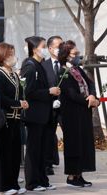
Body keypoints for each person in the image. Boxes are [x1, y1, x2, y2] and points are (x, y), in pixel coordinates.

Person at [20, 36, 60, 192]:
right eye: (43, 46)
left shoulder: (39, 64)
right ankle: (32, 182)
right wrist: (48, 92)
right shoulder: (30, 66)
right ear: (34, 48)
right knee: (34, 150)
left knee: (43, 150)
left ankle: (43, 180)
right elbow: (28, 92)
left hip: (44, 114)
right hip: (35, 115)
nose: (45, 49)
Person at [58, 40, 98, 187]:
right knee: (74, 144)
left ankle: (79, 175)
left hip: (84, 112)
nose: (77, 56)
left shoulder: (77, 69)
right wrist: (89, 100)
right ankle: (71, 176)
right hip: (71, 115)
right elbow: (71, 94)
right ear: (66, 55)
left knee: (84, 144)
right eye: (75, 54)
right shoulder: (63, 72)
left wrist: (93, 96)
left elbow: (90, 83)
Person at [0, 42, 28, 195]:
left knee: (14, 154)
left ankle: (13, 184)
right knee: (3, 154)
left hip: (16, 119)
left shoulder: (13, 73)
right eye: (10, 54)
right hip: (4, 119)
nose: (13, 57)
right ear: (2, 57)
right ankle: (2, 187)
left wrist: (23, 102)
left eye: (13, 53)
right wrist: (17, 103)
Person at [41, 36, 64, 176]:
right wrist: (51, 100)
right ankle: (47, 163)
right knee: (49, 134)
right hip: (49, 105)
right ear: (50, 48)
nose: (61, 49)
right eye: (58, 46)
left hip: (65, 106)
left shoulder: (67, 65)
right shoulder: (44, 65)